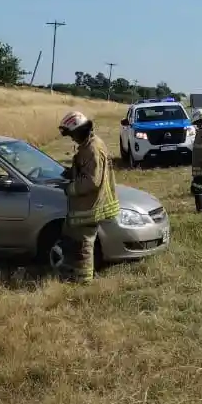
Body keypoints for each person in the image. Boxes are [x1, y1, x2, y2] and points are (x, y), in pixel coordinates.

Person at [57, 110, 120, 284]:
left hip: (91, 206)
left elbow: (91, 181)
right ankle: (73, 274)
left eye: (72, 135)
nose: (72, 139)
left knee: (84, 244)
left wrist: (70, 188)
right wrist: (72, 172)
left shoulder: (92, 149)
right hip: (89, 205)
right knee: (75, 240)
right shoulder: (90, 145)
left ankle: (84, 282)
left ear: (79, 131)